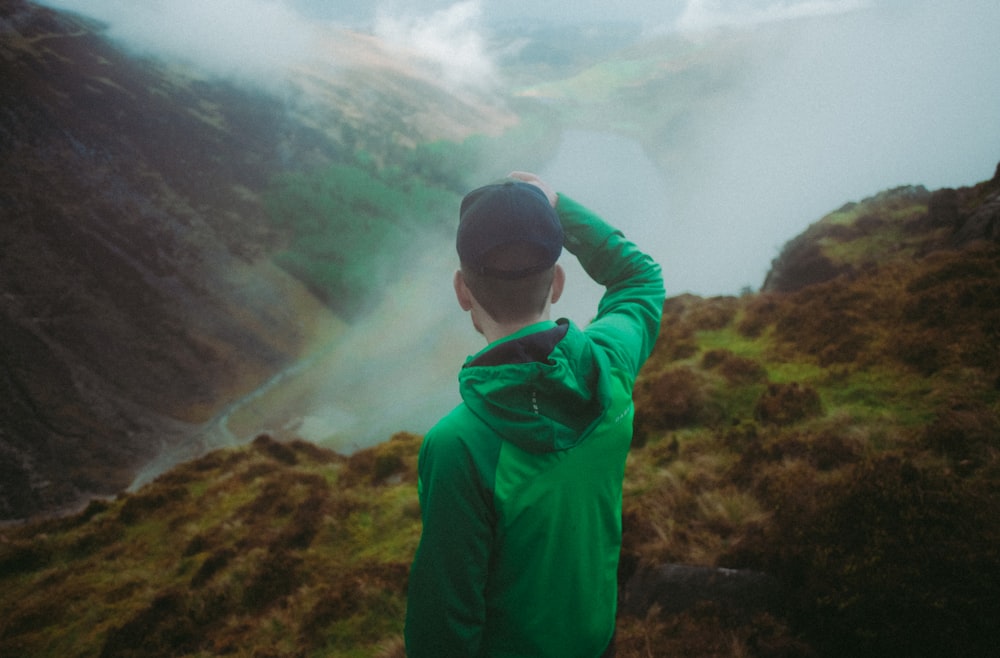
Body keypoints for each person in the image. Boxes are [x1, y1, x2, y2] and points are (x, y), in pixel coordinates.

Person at [404, 171, 665, 657]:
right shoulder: (609, 369)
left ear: (463, 291)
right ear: (559, 282)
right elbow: (639, 278)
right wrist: (559, 205)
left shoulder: (457, 444)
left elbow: (444, 622)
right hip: (597, 639)